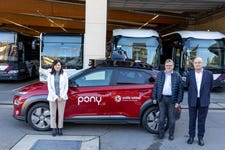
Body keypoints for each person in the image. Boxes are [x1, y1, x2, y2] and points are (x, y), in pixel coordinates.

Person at [153, 59, 183, 140]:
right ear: (165, 66)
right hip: (162, 99)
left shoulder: (177, 75)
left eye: (170, 65)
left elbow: (181, 90)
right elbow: (156, 86)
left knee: (172, 118)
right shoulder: (160, 74)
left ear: (173, 66)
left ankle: (171, 134)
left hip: (172, 100)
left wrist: (178, 101)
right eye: (167, 65)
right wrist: (154, 97)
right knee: (161, 118)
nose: (168, 67)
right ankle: (161, 133)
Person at [186, 57, 213, 146]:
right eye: (196, 62)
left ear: (202, 63)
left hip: (204, 100)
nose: (197, 64)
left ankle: (200, 137)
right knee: (192, 120)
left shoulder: (209, 74)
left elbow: (210, 87)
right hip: (192, 100)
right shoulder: (189, 74)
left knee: (202, 120)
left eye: (199, 62)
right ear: (193, 64)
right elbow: (187, 85)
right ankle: (191, 136)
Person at [47, 59, 69, 136]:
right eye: (56, 65)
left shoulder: (65, 74)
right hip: (52, 97)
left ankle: (60, 128)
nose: (57, 66)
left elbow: (66, 86)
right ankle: (54, 128)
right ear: (53, 66)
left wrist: (61, 96)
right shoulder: (50, 74)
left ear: (61, 66)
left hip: (62, 97)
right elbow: (49, 87)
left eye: (59, 65)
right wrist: (56, 97)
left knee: (61, 113)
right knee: (53, 113)